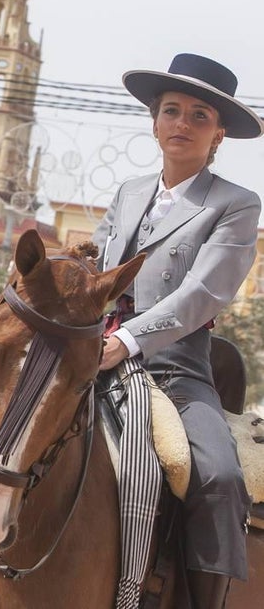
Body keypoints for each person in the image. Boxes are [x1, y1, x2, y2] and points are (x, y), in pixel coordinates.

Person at [93, 53, 262, 608]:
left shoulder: (235, 204)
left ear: (218, 135)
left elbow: (202, 294)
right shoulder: (128, 192)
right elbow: (95, 268)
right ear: (155, 121)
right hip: (91, 352)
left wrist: (127, 340)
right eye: (171, 111)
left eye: (199, 116)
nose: (182, 124)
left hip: (174, 370)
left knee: (219, 477)